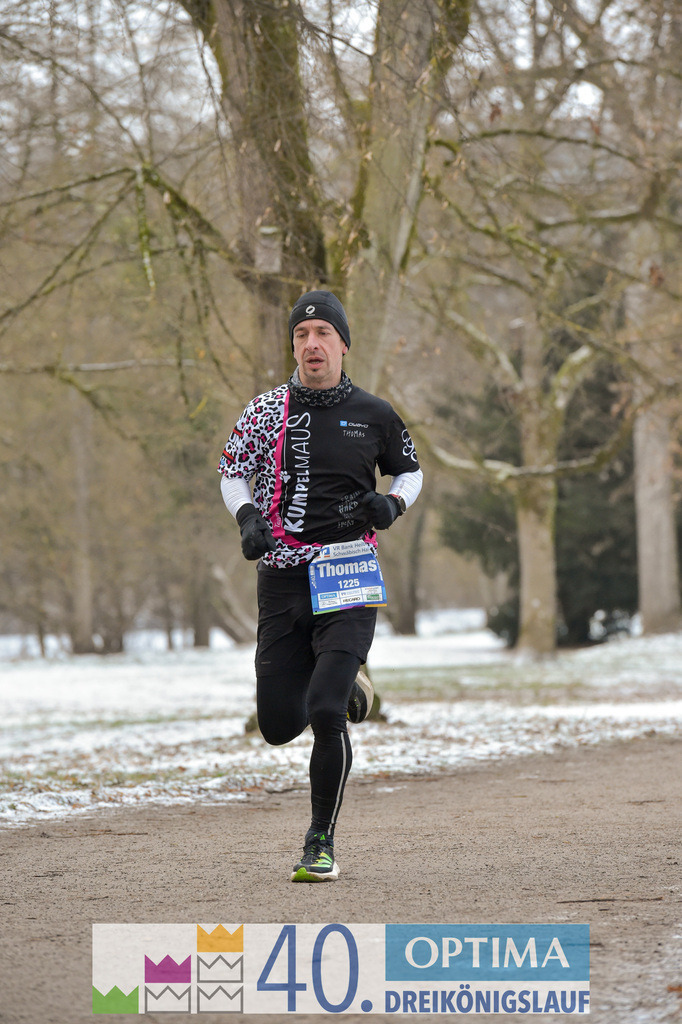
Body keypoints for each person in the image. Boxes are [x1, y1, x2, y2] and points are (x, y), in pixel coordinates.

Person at [218, 290, 423, 882]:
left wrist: (390, 503)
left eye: (323, 333)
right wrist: (249, 517)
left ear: (342, 344)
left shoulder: (375, 413)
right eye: (301, 334)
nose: (312, 343)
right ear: (294, 346)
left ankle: (319, 843)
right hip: (282, 578)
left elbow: (411, 469)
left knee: (326, 711)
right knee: (280, 724)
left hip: (347, 571)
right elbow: (234, 473)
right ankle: (343, 684)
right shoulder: (265, 412)